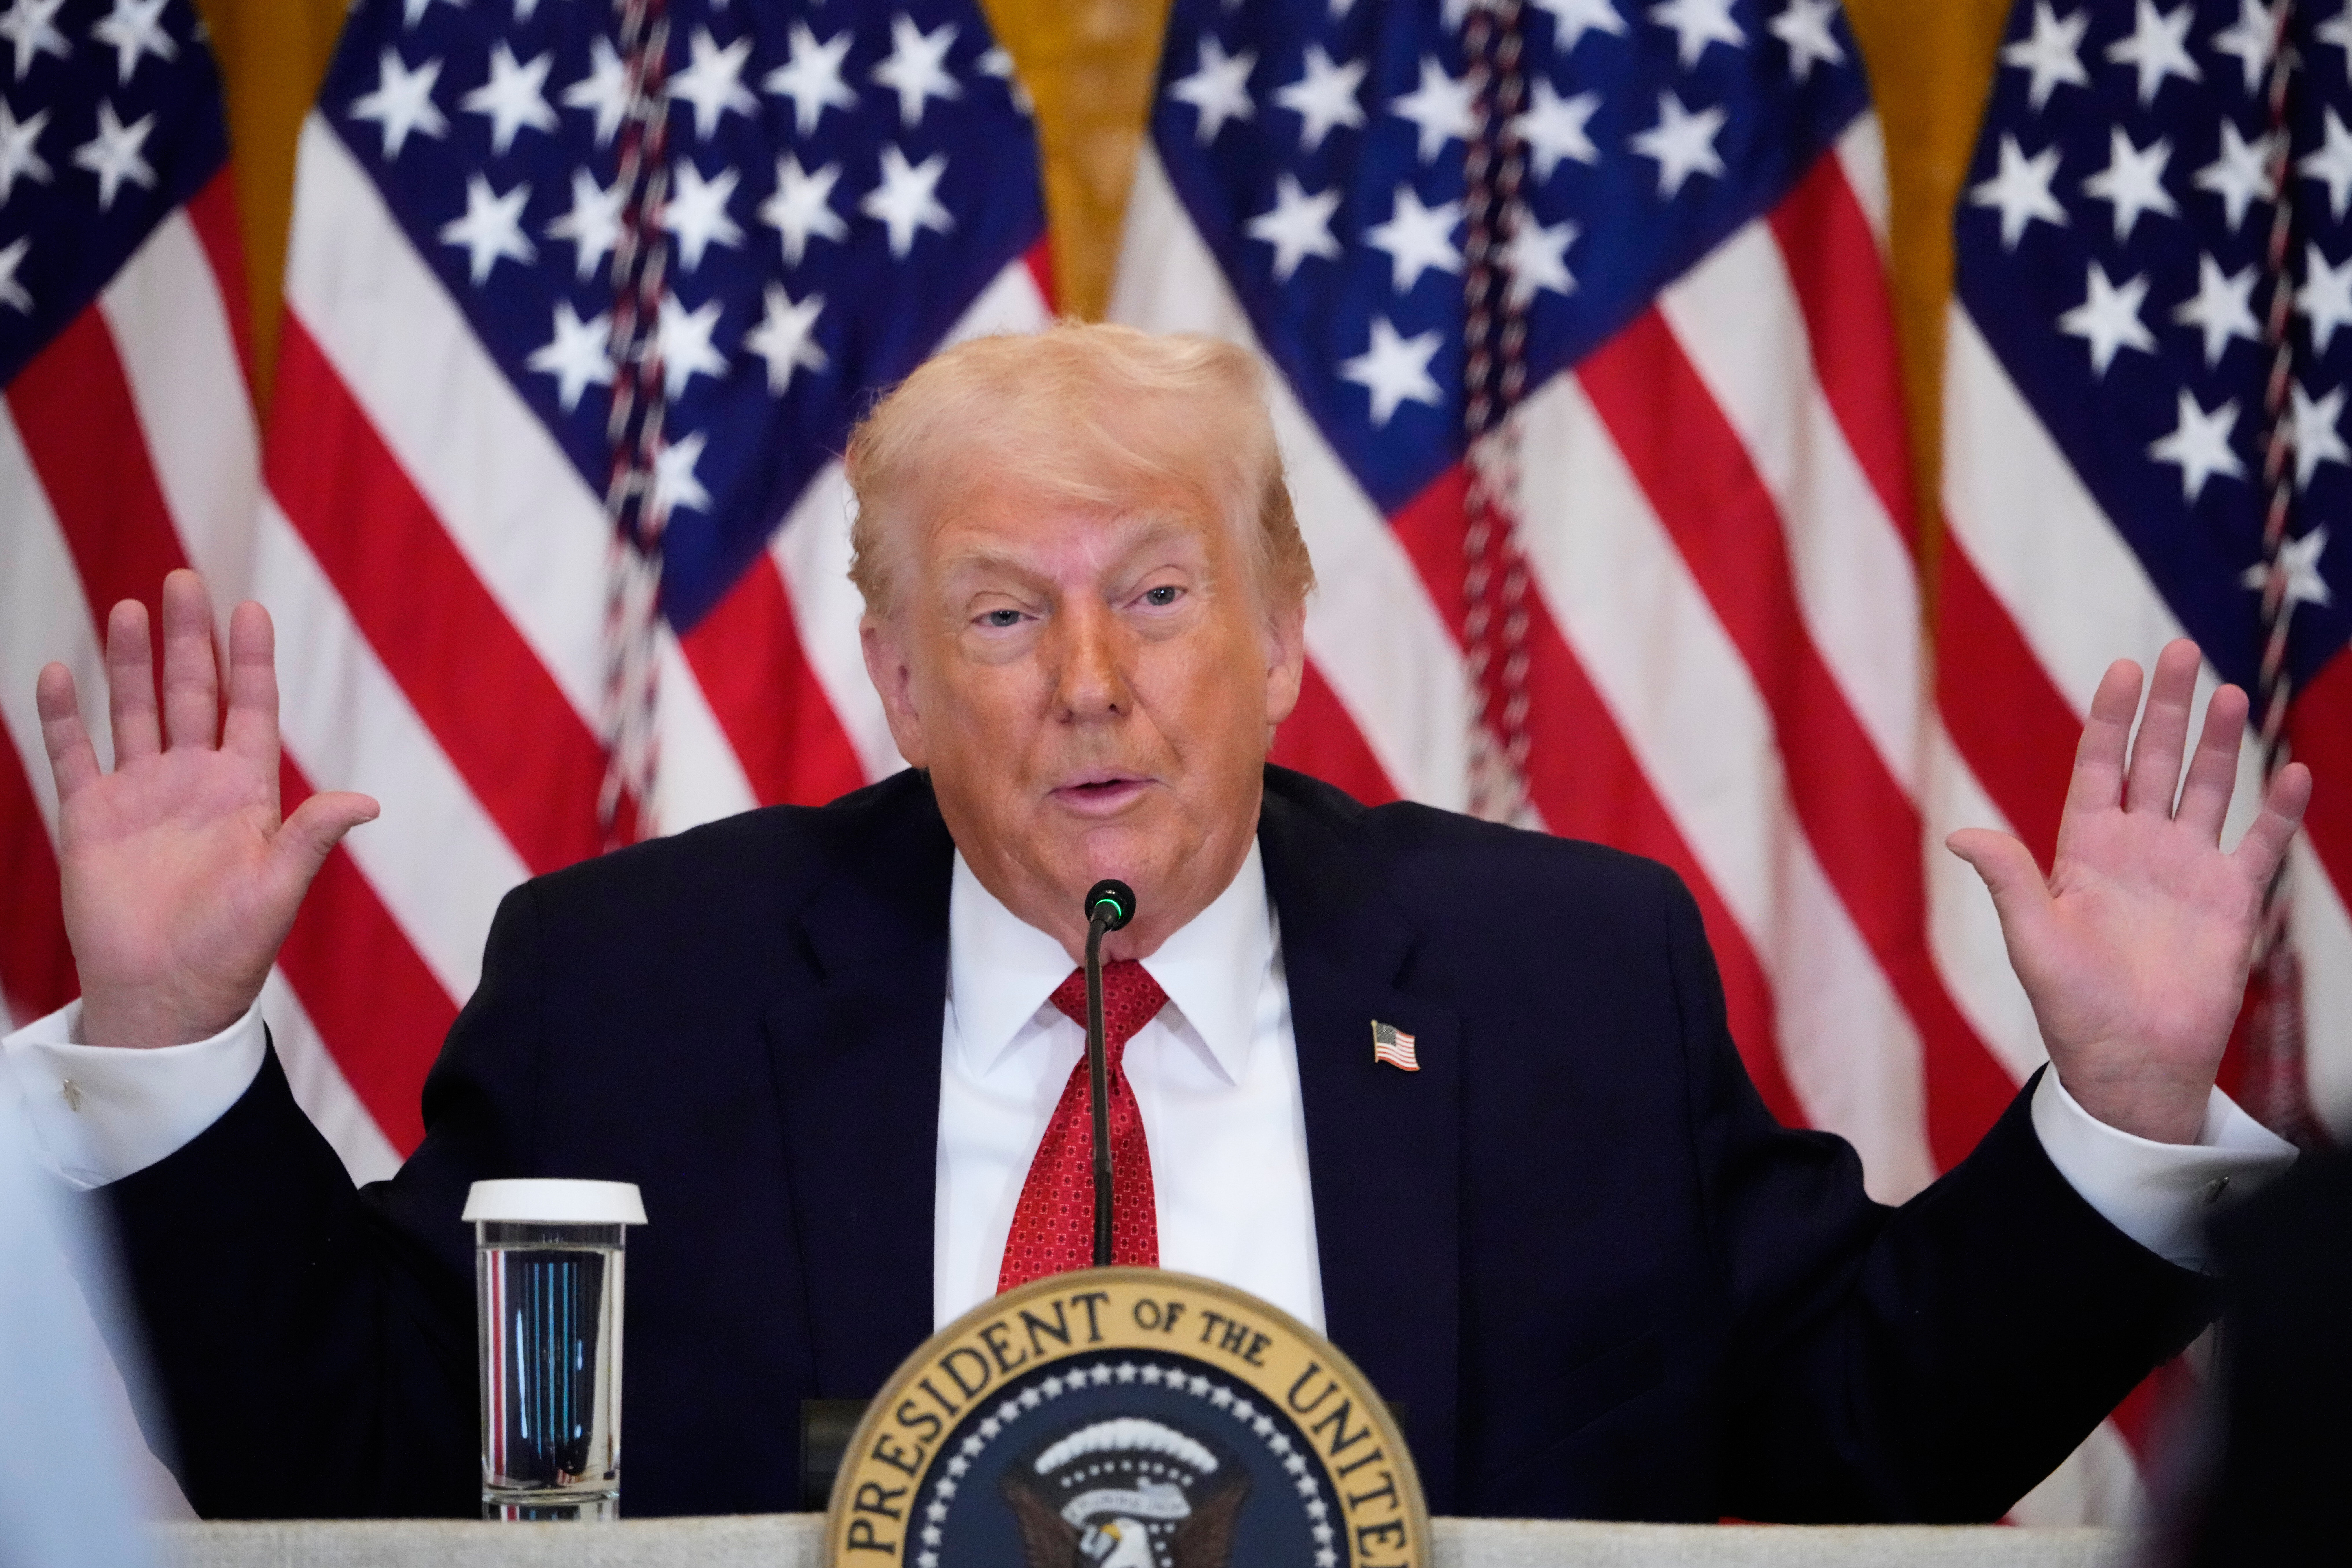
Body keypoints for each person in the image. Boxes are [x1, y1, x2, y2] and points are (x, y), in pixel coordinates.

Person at [3, 325, 2310, 1522]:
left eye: (1159, 597)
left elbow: (1853, 1443)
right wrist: (176, 1041)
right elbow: (360, 1465)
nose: (1088, 683)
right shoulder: (642, 987)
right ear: (893, 680)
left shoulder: (1556, 983)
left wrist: (2113, 1109)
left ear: (1287, 633)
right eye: (999, 614)